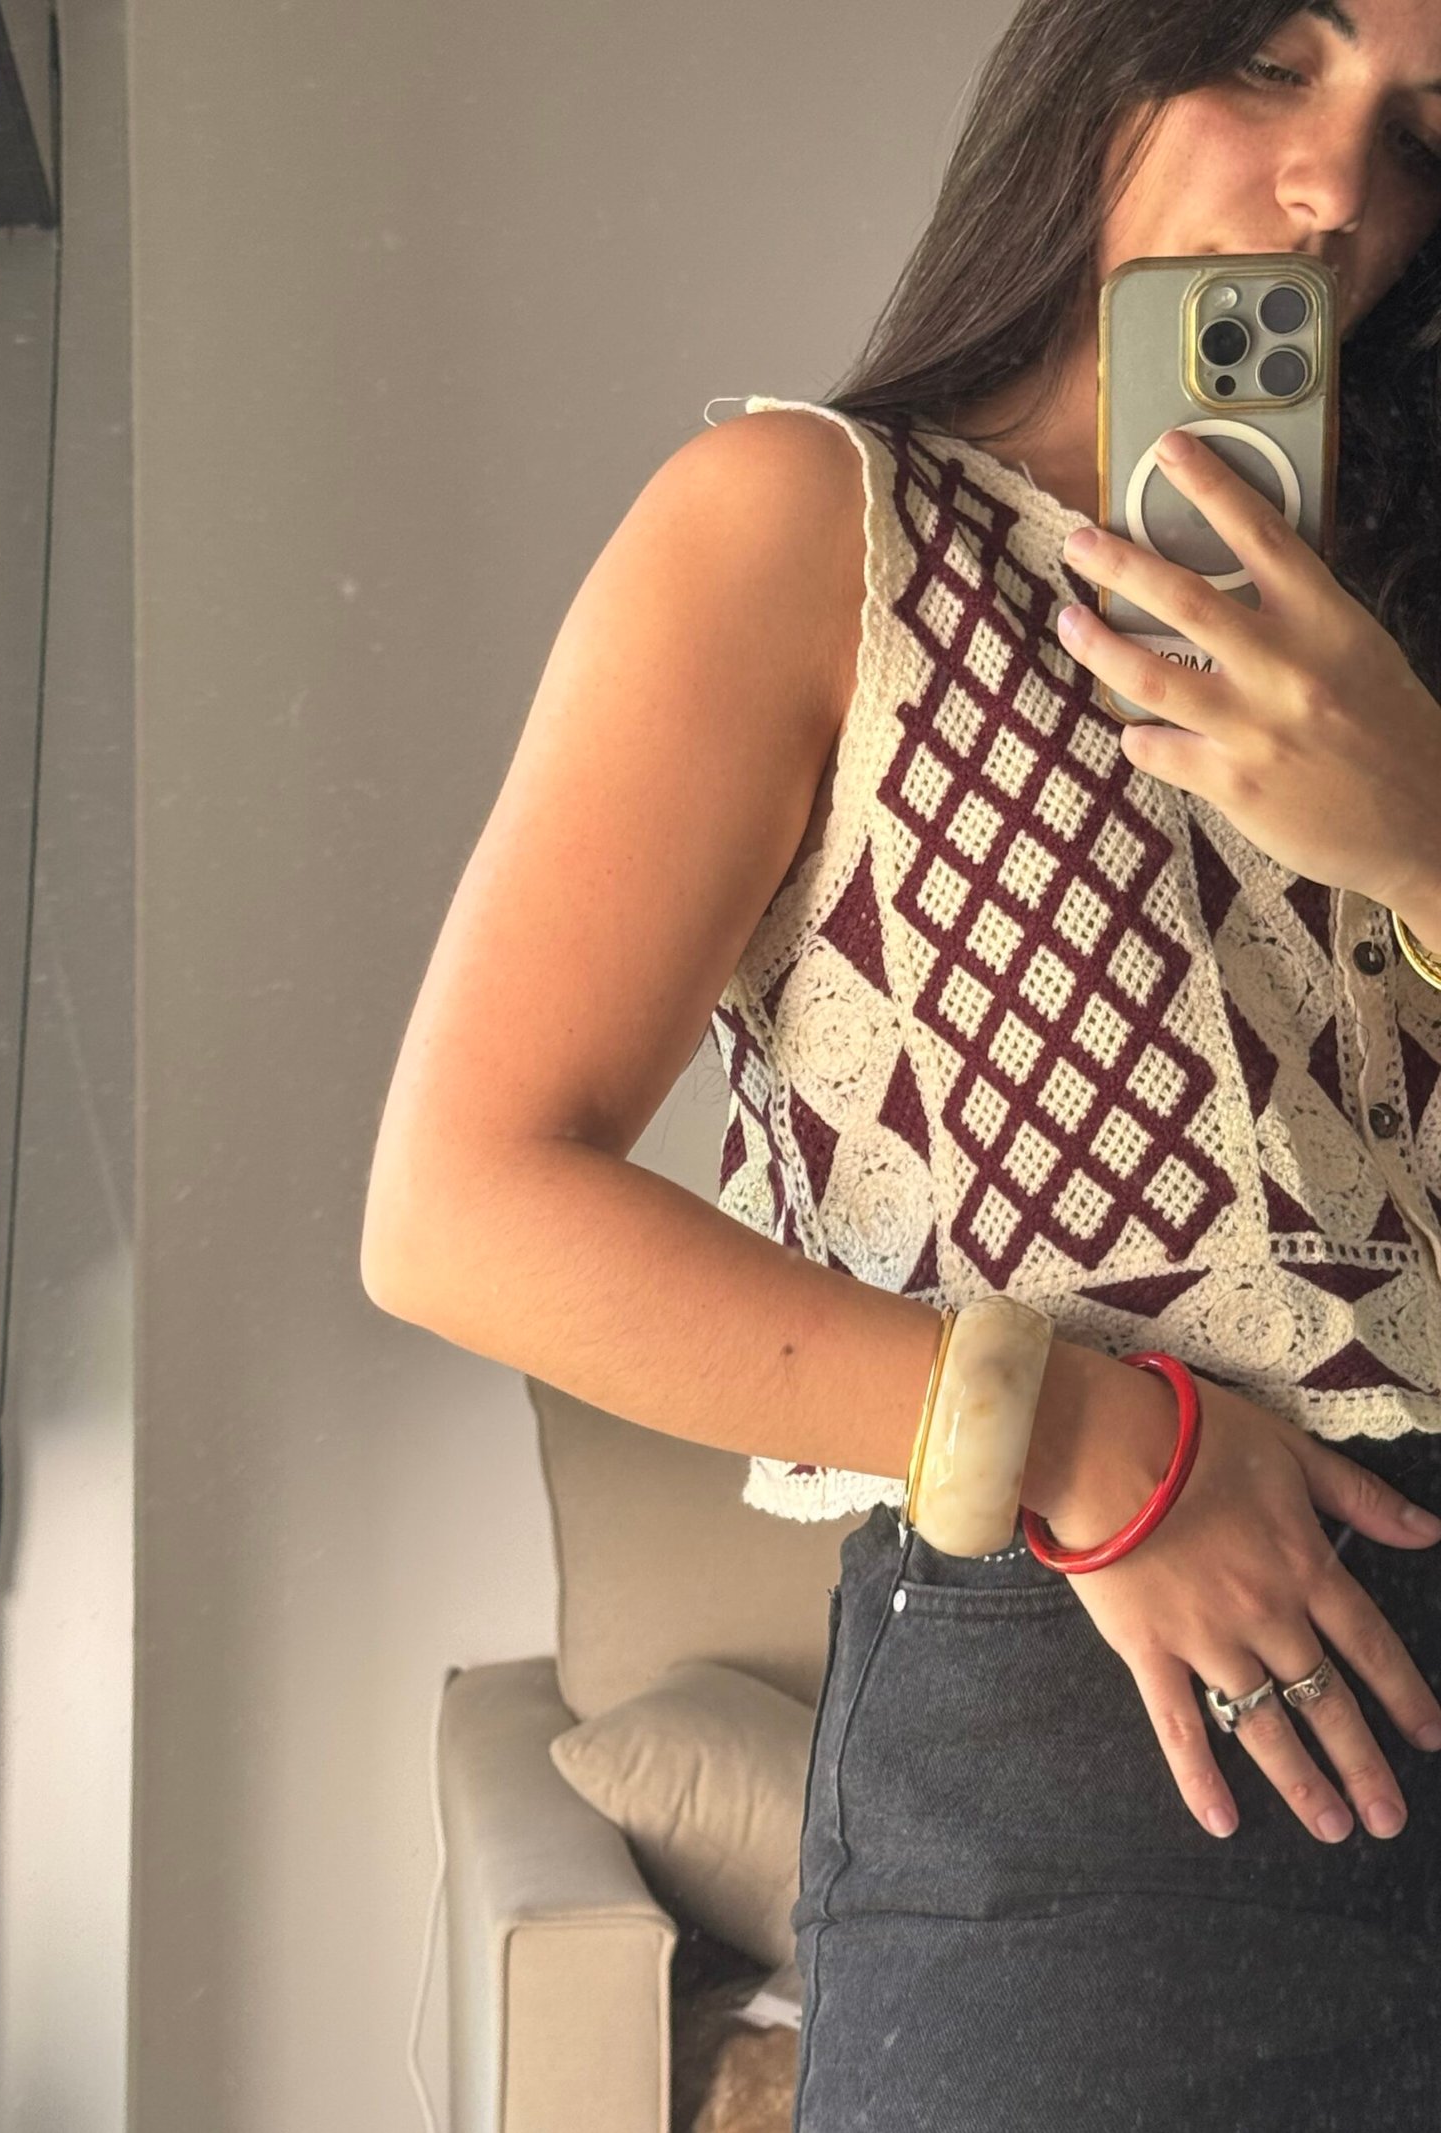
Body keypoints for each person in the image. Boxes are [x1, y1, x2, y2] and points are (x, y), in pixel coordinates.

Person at [362, 2, 1441, 2123]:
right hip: (1118, 1731)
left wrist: (1416, 827)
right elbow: (460, 1204)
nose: (1335, 189)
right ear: (1100, 63)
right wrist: (1086, 1442)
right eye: (1268, 62)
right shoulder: (809, 526)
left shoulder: (1398, 664)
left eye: (1419, 135)